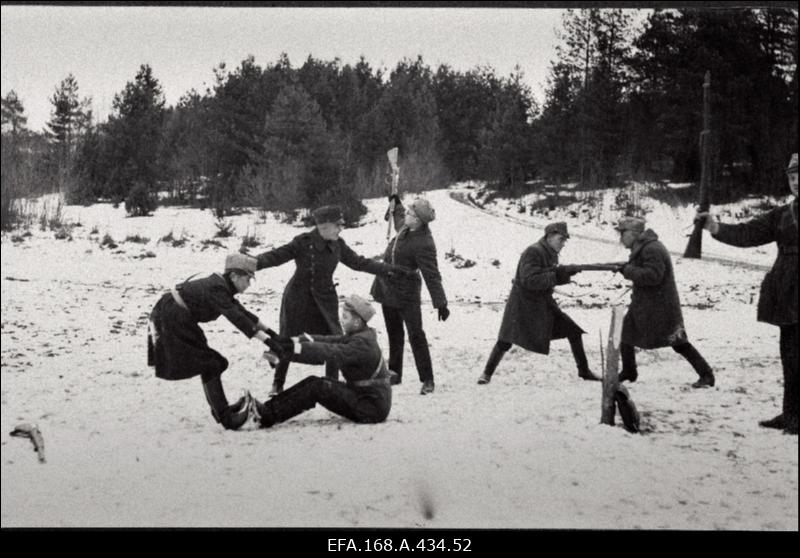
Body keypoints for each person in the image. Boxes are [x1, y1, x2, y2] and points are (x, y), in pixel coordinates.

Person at [253, 205, 414, 397]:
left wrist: (390, 270)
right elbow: (276, 256)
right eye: (337, 225)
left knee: (335, 342)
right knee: (288, 338)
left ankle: (333, 384)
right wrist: (250, 264)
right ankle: (277, 384)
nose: (340, 229)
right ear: (324, 226)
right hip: (298, 298)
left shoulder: (338, 245)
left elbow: (359, 263)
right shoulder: (303, 242)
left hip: (325, 299)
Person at [696, 153, 797, 434]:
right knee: (790, 356)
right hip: (788, 294)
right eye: (792, 177)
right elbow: (747, 233)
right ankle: (791, 414)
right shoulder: (783, 215)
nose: (796, 182)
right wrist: (715, 227)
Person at [147, 253, 277, 430]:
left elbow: (242, 312)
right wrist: (268, 342)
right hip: (172, 316)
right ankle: (226, 418)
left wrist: (271, 334)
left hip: (178, 315)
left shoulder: (222, 287)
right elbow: (236, 317)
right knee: (211, 363)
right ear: (234, 276)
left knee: (215, 363)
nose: (248, 285)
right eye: (247, 279)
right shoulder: (217, 288)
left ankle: (221, 411)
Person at [478, 222, 601, 385]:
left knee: (573, 331)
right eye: (561, 239)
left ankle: (584, 371)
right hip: (523, 305)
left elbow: (548, 276)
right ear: (549, 237)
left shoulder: (550, 253)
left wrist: (565, 273)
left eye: (564, 240)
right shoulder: (533, 251)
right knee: (506, 339)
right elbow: (530, 280)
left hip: (542, 305)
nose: (563, 244)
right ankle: (486, 374)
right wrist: (558, 275)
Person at [250, 295, 392, 427]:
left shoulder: (361, 344)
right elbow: (328, 340)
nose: (341, 320)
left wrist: (295, 348)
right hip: (365, 397)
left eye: (345, 317)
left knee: (317, 386)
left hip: (371, 408)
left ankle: (266, 415)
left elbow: (328, 351)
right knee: (315, 383)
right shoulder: (360, 335)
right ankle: (267, 410)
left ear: (356, 322)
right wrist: (294, 341)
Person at [614, 216, 716, 388]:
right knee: (626, 333)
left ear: (633, 233)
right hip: (646, 305)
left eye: (622, 233)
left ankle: (706, 375)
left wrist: (628, 270)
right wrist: (627, 268)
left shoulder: (651, 249)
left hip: (660, 308)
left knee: (678, 342)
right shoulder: (645, 247)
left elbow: (653, 276)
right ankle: (629, 371)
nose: (620, 238)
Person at [370, 195, 448, 395]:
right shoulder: (406, 228)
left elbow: (432, 274)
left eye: (411, 213)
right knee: (394, 334)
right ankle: (394, 372)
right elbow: (398, 219)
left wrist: (440, 302)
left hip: (407, 294)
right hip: (387, 289)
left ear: (419, 221)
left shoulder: (424, 243)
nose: (407, 215)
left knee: (416, 335)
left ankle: (427, 379)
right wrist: (396, 203)